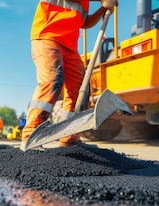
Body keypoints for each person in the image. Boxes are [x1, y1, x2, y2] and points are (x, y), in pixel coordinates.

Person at [20, 0, 118, 151]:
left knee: (79, 90)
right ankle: (30, 136)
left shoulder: (85, 3)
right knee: (53, 80)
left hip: (69, 46)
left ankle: (70, 138)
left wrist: (102, 9)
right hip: (47, 36)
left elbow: (84, 23)